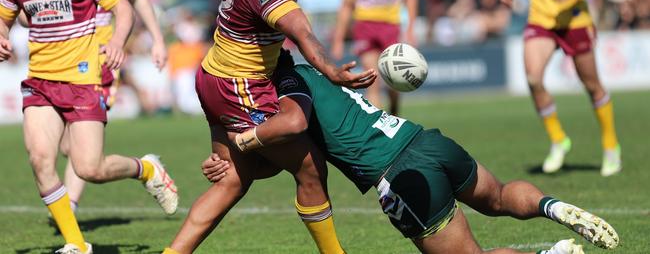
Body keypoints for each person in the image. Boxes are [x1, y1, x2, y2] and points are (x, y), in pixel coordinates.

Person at [202, 49, 619, 254]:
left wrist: (238, 146)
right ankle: (552, 206)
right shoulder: (315, 71)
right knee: (500, 196)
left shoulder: (287, 92)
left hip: (399, 174)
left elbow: (291, 150)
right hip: (425, 140)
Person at [166, 0, 376, 253]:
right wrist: (332, 71)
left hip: (222, 76)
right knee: (309, 167)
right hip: (238, 84)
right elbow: (302, 32)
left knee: (234, 179)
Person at [0, 0, 177, 253]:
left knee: (89, 168)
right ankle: (76, 244)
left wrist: (117, 43)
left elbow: (125, 8)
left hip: (84, 80)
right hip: (40, 82)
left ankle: (145, 169)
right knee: (40, 159)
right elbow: (3, 19)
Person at [53, 0, 169, 213]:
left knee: (79, 149)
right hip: (63, 65)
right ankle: (145, 167)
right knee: (67, 146)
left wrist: (157, 40)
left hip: (101, 67)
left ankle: (70, 208)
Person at [499, 0, 620, 176]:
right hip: (540, 18)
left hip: (574, 19)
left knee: (592, 86)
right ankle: (558, 140)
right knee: (532, 78)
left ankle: (610, 145)